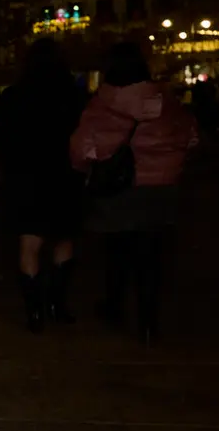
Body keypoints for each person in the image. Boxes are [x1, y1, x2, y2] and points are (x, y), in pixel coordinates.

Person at [70, 42, 197, 346]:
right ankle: (149, 323)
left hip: (119, 192)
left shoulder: (102, 104)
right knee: (151, 259)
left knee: (117, 254)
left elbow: (82, 148)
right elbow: (191, 138)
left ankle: (114, 307)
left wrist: (91, 166)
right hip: (160, 191)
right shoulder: (167, 101)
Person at [0, 38, 86, 332]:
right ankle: (58, 304)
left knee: (29, 244)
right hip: (63, 176)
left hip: (26, 179)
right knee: (63, 240)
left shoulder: (12, 97)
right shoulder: (73, 96)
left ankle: (34, 312)